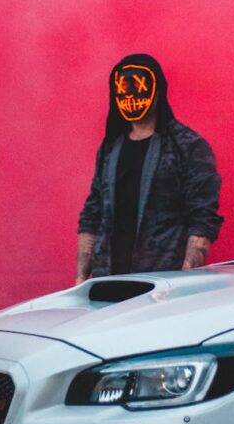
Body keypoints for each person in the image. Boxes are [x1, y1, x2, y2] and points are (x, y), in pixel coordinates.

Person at [76, 53, 223, 282]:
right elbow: (93, 212)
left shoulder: (188, 146)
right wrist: (81, 279)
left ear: (157, 90)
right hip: (108, 282)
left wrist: (186, 277)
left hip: (161, 285)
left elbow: (202, 218)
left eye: (140, 86)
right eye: (124, 88)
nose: (132, 95)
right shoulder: (111, 147)